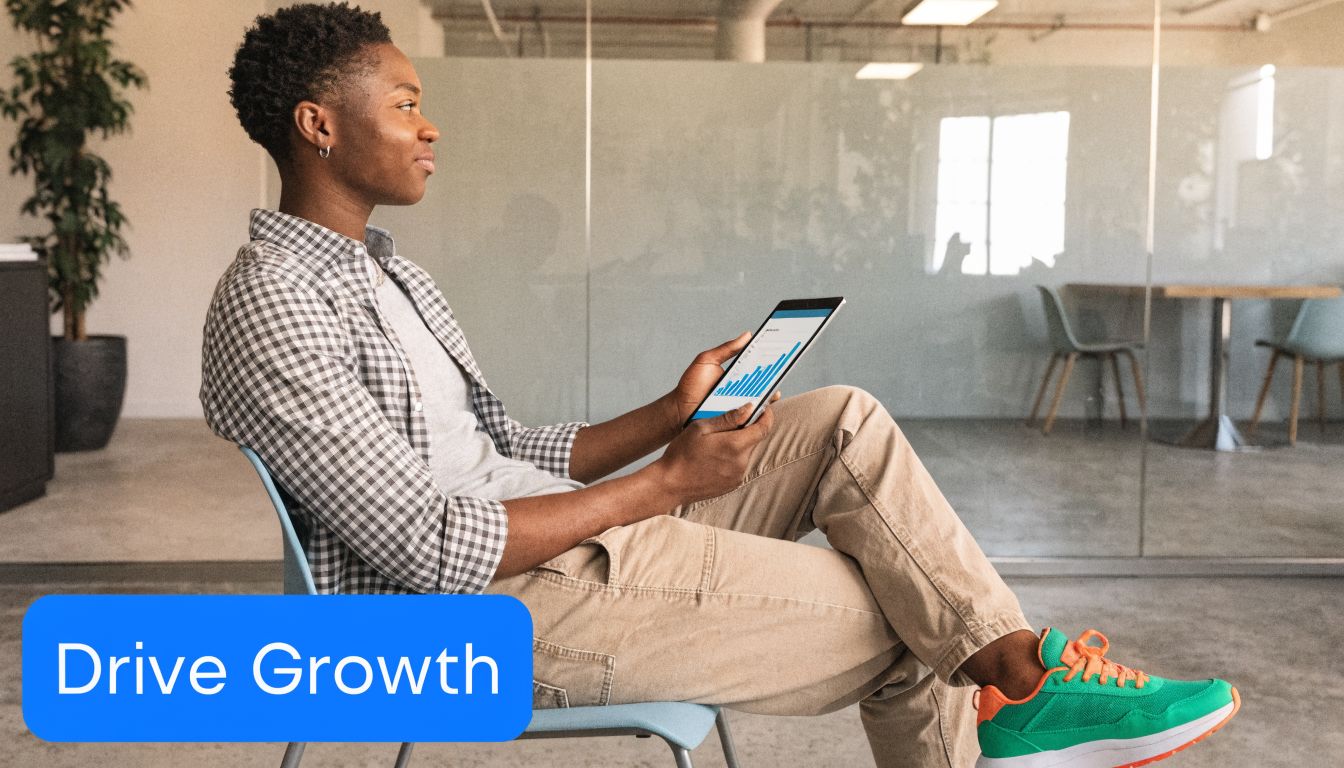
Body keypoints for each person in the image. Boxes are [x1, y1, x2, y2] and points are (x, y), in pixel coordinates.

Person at [201, 5, 1239, 767]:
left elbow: (509, 443)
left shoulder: (394, 273)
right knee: (913, 616)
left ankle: (1016, 674)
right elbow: (429, 547)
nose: (431, 128)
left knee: (842, 422)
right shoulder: (275, 304)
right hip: (483, 615)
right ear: (320, 126)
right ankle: (1016, 683)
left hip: (560, 546)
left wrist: (669, 416)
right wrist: (662, 484)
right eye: (406, 105)